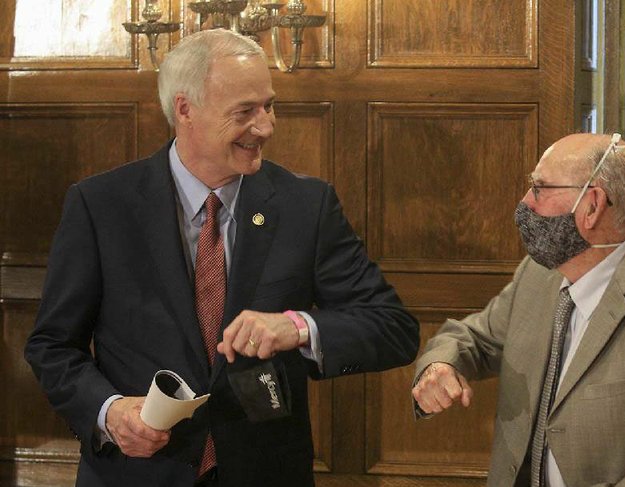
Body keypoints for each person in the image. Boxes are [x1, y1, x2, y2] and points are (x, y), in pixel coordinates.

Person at [25, 29, 419, 487]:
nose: (266, 126)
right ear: (185, 109)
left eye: (268, 106)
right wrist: (110, 413)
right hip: (137, 474)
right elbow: (52, 346)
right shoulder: (100, 205)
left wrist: (297, 327)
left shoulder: (306, 206)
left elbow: (394, 328)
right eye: (244, 112)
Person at [411, 133, 625, 486]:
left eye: (539, 189)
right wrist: (440, 364)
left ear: (592, 205)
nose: (525, 202)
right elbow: (472, 337)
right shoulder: (538, 275)